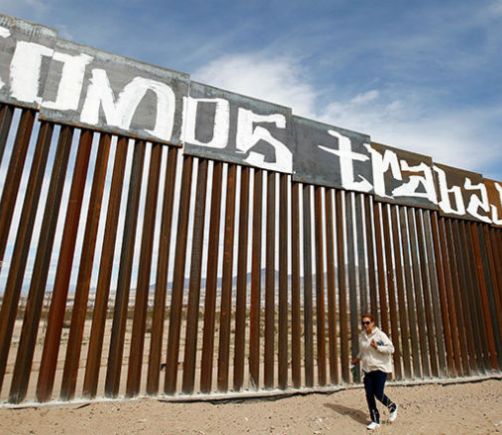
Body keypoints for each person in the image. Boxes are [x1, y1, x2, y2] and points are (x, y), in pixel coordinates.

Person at [352, 313, 398, 430]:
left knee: (378, 392)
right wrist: (357, 359)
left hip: (380, 368)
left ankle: (392, 406)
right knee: (369, 395)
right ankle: (375, 420)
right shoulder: (362, 336)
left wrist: (377, 347)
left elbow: (391, 349)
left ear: (372, 323)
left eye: (367, 322)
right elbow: (363, 351)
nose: (365, 325)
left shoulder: (380, 335)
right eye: (363, 323)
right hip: (368, 369)